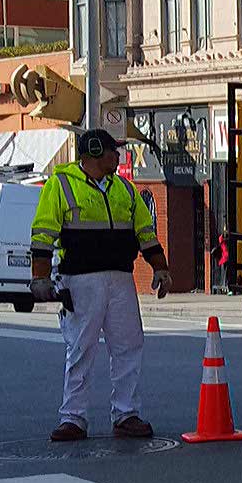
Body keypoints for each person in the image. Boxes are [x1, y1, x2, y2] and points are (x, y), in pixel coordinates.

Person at [31, 128, 168, 442]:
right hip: (78, 281)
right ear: (93, 150)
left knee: (129, 346)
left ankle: (126, 415)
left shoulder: (126, 189)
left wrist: (160, 269)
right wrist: (39, 277)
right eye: (112, 150)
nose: (118, 156)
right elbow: (42, 234)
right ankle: (73, 419)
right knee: (81, 347)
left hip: (121, 278)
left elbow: (145, 234)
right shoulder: (60, 185)